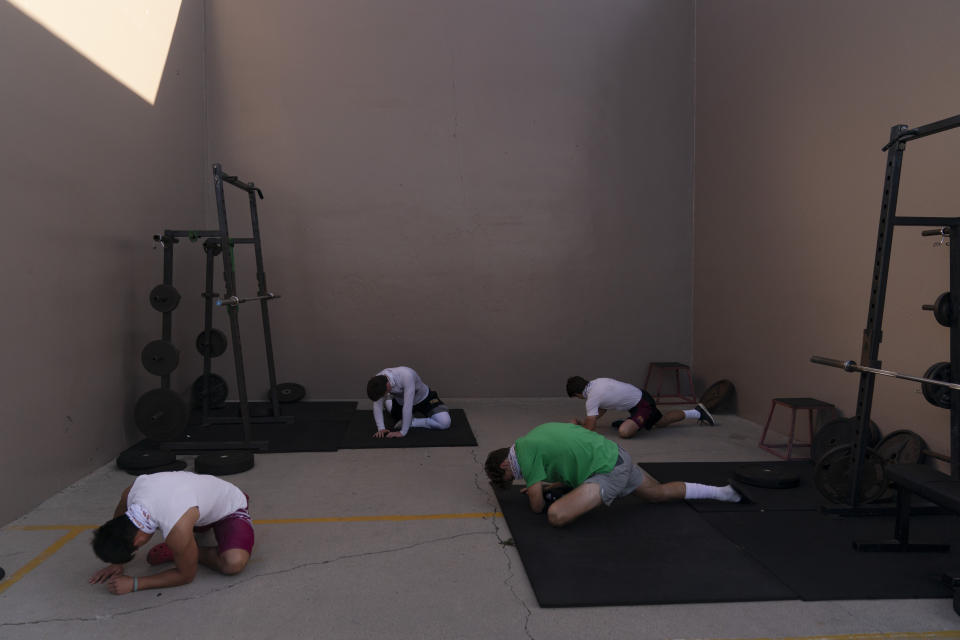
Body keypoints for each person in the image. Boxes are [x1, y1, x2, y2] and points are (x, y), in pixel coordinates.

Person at [484, 422, 741, 527]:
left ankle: (723, 494)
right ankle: (722, 493)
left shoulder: (524, 453)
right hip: (617, 455)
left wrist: (535, 489)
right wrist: (547, 485)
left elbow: (537, 507)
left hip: (607, 471)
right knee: (658, 494)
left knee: (556, 515)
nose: (517, 478)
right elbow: (571, 455)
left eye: (511, 477)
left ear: (506, 464)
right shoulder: (535, 436)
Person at [89, 471, 253, 595]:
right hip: (195, 508)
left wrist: (135, 584)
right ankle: (183, 550)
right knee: (181, 534)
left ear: (138, 542)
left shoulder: (177, 529)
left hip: (229, 508)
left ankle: (179, 552)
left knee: (233, 563)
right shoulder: (131, 495)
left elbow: (186, 576)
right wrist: (116, 562)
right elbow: (115, 526)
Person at [566, 375, 715, 438]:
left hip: (642, 404)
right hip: (639, 398)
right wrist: (585, 422)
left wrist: (577, 429)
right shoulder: (596, 383)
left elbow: (590, 428)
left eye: (576, 397)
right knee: (660, 422)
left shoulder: (592, 397)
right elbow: (602, 409)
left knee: (624, 432)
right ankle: (696, 412)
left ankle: (631, 423)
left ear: (578, 394)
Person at [366, 366, 451, 438]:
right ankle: (389, 400)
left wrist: (402, 432)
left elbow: (408, 405)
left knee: (445, 423)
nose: (381, 396)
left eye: (383, 394)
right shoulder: (377, 381)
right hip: (401, 402)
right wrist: (381, 428)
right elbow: (377, 405)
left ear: (387, 385)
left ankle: (413, 422)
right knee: (390, 407)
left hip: (424, 399)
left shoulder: (406, 375)